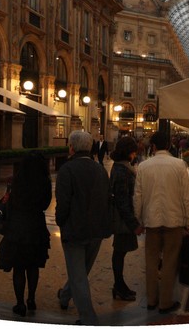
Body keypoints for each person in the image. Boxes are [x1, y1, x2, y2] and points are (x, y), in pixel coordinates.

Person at [54, 130, 112, 325]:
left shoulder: (67, 170)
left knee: (78, 274)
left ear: (71, 147)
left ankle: (88, 319)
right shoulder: (100, 170)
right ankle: (64, 296)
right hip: (97, 229)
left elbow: (63, 203)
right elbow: (106, 199)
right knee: (81, 270)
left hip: (74, 229)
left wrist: (61, 221)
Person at [133, 131, 189, 315]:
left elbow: (137, 197)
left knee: (151, 261)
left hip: (151, 221)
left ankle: (151, 300)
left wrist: (139, 220)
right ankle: (165, 302)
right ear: (168, 146)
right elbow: (187, 197)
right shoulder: (179, 165)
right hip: (174, 221)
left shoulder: (143, 167)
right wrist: (188, 222)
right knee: (170, 261)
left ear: (153, 146)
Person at [0, 151, 52, 317]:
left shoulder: (15, 181)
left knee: (19, 267)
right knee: (33, 266)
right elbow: (45, 204)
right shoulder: (44, 182)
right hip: (36, 226)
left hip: (17, 228)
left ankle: (20, 304)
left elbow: (9, 203)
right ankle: (31, 299)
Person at [109, 136, 142, 301]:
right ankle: (119, 286)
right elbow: (123, 200)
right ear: (129, 152)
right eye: (134, 151)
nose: (135, 154)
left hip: (124, 217)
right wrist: (134, 223)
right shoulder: (121, 171)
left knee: (120, 252)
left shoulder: (121, 167)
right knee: (119, 252)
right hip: (123, 220)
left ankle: (119, 285)